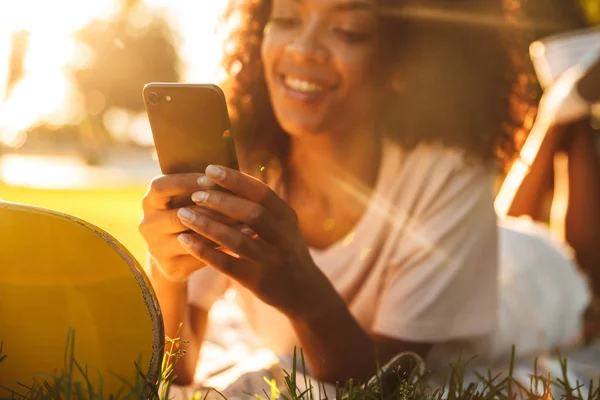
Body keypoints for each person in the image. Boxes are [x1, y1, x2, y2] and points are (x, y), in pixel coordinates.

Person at [138, 0, 600, 388]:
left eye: (348, 30)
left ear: (401, 61)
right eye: (288, 19)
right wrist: (168, 272)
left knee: (586, 284)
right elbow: (174, 372)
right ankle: (560, 111)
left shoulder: (451, 168)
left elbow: (386, 385)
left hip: (522, 286)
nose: (303, 48)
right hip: (477, 246)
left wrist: (302, 291)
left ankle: (565, 116)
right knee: (510, 221)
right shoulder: (240, 163)